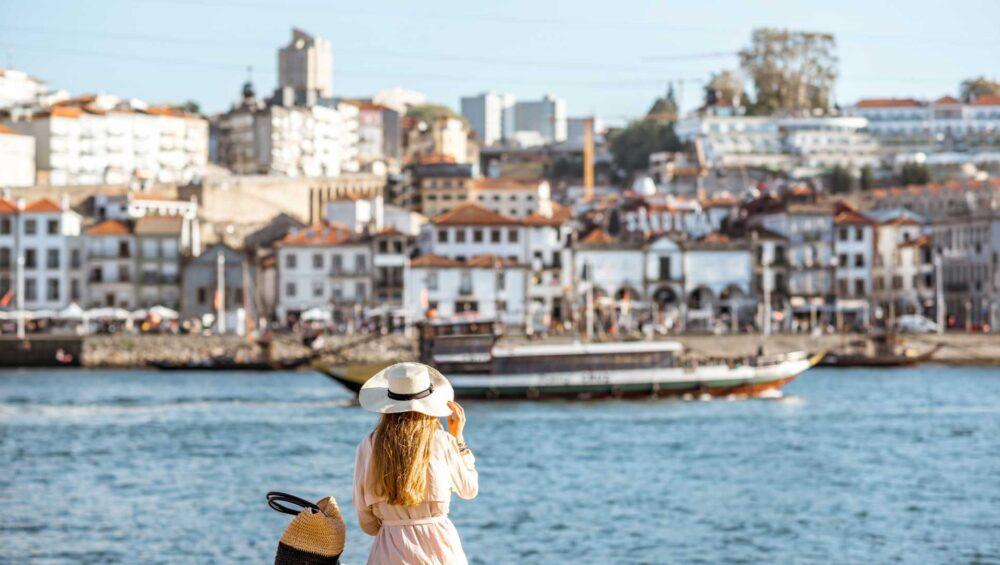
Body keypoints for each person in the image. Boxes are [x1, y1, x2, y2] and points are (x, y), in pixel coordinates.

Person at [353, 362, 478, 564]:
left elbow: (366, 521)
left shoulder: (367, 446)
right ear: (429, 402)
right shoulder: (442, 441)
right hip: (440, 551)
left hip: (388, 552)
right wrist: (459, 440)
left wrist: (393, 526)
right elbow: (469, 490)